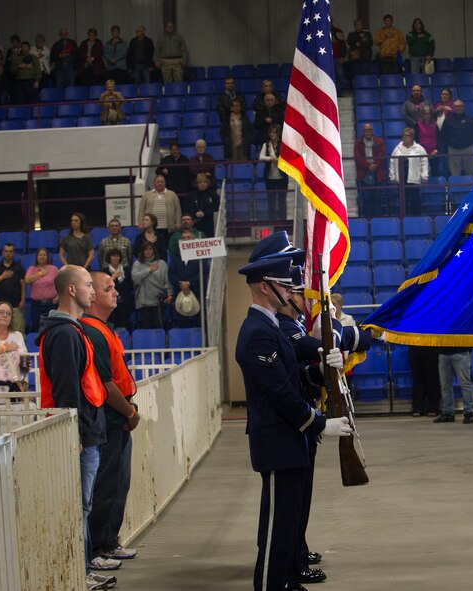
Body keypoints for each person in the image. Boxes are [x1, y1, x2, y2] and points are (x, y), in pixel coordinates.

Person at [235, 251, 350, 591]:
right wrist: (318, 423)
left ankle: (286, 581)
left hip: (288, 440)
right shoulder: (258, 331)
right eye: (284, 286)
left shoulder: (270, 326)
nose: (290, 292)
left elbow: (293, 375)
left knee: (286, 524)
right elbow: (280, 394)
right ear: (264, 287)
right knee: (276, 529)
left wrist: (319, 369)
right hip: (277, 440)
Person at [37, 265, 112, 590]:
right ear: (71, 290)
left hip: (85, 431)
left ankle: (82, 572)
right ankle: (79, 574)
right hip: (80, 435)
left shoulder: (70, 330)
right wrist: (77, 435)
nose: (92, 291)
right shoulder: (66, 333)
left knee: (84, 505)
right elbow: (68, 390)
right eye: (86, 285)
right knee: (79, 506)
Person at [82, 272, 140, 571]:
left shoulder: (105, 329)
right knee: (104, 487)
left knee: (118, 484)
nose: (116, 292)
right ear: (92, 296)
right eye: (109, 288)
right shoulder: (92, 331)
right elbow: (105, 384)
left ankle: (108, 541)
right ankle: (96, 550)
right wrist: (129, 412)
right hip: (109, 419)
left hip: (119, 417)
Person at [0, 243, 27, 335]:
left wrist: (23, 301)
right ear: (2, 253)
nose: (8, 253)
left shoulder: (18, 267)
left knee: (18, 333)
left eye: (10, 251)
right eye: (6, 251)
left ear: (13, 253)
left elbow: (23, 284)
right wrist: (1, 277)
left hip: (15, 306)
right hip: (0, 306)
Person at [388, 127, 428, 216]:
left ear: (412, 137)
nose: (404, 138)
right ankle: (403, 219)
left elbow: (424, 162)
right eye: (403, 136)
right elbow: (392, 162)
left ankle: (416, 219)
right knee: (403, 201)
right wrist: (392, 176)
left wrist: (424, 176)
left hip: (414, 178)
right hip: (401, 179)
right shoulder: (397, 148)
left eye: (407, 136)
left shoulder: (419, 148)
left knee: (415, 201)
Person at [131, 241, 172, 329]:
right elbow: (135, 277)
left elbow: (167, 281)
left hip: (158, 301)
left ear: (154, 250)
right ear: (142, 252)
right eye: (145, 250)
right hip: (143, 302)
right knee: (147, 327)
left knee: (158, 327)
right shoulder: (137, 264)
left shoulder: (161, 264)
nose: (148, 251)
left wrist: (170, 294)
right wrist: (148, 270)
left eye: (150, 249)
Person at [431, 346, 473, 424]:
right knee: (445, 385)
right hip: (444, 353)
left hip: (461, 352)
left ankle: (468, 412)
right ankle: (448, 412)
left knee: (465, 384)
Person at [353, 123, 387, 217]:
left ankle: (378, 220)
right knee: (366, 199)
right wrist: (368, 165)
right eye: (366, 130)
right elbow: (358, 157)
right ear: (363, 132)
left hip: (377, 173)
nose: (368, 132)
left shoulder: (379, 141)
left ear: (372, 131)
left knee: (377, 198)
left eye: (369, 130)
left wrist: (374, 164)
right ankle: (367, 220)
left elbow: (382, 155)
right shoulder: (358, 143)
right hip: (364, 173)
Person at [138, 175, 181, 247]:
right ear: (154, 183)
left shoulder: (172, 194)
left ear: (165, 183)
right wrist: (140, 223)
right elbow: (141, 210)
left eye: (162, 182)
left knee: (166, 247)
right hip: (151, 228)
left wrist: (178, 223)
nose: (160, 183)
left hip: (168, 228)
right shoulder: (147, 195)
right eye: (157, 182)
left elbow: (178, 210)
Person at [259, 124, 289, 220]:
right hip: (269, 177)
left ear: (278, 134)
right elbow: (261, 157)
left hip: (282, 177)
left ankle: (282, 220)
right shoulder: (266, 144)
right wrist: (270, 158)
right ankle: (271, 220)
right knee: (271, 200)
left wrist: (278, 160)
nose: (271, 134)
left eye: (274, 132)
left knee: (282, 200)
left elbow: (287, 157)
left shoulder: (283, 144)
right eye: (270, 132)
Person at [441, 99, 473, 177]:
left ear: (464, 107)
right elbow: (443, 135)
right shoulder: (448, 120)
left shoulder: (470, 119)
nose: (458, 108)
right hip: (453, 149)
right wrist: (447, 146)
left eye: (460, 106)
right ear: (453, 107)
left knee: (471, 172)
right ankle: (456, 189)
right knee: (455, 173)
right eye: (456, 106)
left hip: (468, 148)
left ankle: (472, 188)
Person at [26, 248, 59, 333]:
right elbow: (27, 280)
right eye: (40, 255)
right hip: (36, 305)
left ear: (47, 257)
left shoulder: (53, 269)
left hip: (51, 304)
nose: (42, 257)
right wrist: (40, 274)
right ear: (37, 257)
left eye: (44, 255)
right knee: (37, 328)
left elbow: (61, 283)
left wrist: (58, 297)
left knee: (52, 328)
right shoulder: (32, 269)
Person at [102, 249, 133, 330]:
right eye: (113, 256)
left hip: (125, 304)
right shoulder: (105, 271)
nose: (115, 258)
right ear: (109, 258)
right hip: (111, 305)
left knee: (125, 327)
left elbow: (131, 285)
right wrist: (112, 278)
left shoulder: (126, 270)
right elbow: (103, 287)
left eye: (117, 256)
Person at [185, 173, 219, 238]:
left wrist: (205, 213)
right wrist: (195, 213)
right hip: (195, 222)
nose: (202, 184)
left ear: (207, 183)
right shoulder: (190, 195)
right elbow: (187, 207)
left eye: (204, 182)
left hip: (208, 222)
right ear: (197, 184)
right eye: (200, 182)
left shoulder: (212, 194)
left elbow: (216, 206)